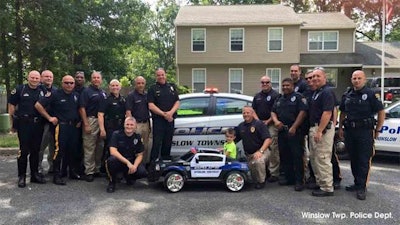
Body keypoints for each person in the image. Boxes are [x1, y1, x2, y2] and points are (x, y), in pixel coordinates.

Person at [338, 70, 385, 200]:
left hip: (364, 132)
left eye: (359, 78)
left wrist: (378, 129)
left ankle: (362, 187)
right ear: (351, 80)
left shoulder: (370, 94)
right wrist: (341, 128)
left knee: (363, 159)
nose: (356, 80)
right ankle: (356, 182)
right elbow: (342, 112)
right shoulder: (347, 94)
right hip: (350, 131)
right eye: (354, 78)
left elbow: (381, 111)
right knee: (353, 158)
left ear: (364, 80)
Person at [35, 75, 81, 185]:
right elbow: (38, 105)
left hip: (73, 127)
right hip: (61, 126)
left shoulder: (76, 95)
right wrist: (49, 118)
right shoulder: (55, 94)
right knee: (59, 151)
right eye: (67, 83)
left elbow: (78, 109)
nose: (69, 85)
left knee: (72, 150)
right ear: (62, 83)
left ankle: (72, 172)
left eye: (71, 83)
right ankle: (57, 175)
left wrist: (79, 120)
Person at [8, 70, 46, 187]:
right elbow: (11, 106)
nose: (34, 80)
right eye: (32, 78)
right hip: (24, 124)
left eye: (36, 78)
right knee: (23, 151)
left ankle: (34, 175)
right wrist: (12, 123)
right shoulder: (20, 89)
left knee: (36, 151)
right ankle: (22, 176)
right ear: (28, 78)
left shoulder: (43, 91)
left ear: (40, 79)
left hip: (38, 124)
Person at [271, 78, 308, 191]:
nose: (285, 87)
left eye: (287, 85)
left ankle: (299, 181)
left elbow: (303, 112)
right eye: (283, 85)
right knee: (284, 155)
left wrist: (294, 127)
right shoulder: (279, 98)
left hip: (295, 131)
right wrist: (276, 121)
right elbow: (273, 111)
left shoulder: (298, 97)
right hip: (282, 131)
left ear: (292, 86)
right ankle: (288, 178)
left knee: (297, 156)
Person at [308, 68, 336, 197]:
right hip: (314, 128)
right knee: (314, 157)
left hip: (322, 129)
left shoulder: (327, 92)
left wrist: (320, 130)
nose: (315, 79)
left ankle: (326, 187)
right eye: (313, 76)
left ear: (324, 77)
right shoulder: (316, 92)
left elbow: (328, 112)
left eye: (318, 76)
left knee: (322, 157)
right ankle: (320, 182)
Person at [105, 117, 148, 193]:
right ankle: (112, 182)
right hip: (119, 161)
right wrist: (127, 163)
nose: (129, 127)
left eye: (131, 125)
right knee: (111, 160)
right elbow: (113, 151)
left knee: (142, 172)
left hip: (131, 161)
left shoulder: (137, 137)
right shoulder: (116, 134)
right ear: (124, 125)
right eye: (127, 124)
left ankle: (129, 176)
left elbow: (140, 155)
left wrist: (134, 166)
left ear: (135, 127)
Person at [235, 106, 272, 189]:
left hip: (262, 151)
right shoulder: (241, 126)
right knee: (251, 178)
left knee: (259, 161)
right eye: (244, 113)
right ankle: (264, 172)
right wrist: (224, 147)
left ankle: (261, 181)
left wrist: (261, 151)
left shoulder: (259, 124)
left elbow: (268, 139)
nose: (245, 114)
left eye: (248, 112)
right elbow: (234, 140)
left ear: (252, 113)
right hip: (249, 155)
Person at [79, 71, 106, 182]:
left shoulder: (102, 92)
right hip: (91, 120)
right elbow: (81, 108)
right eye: (94, 77)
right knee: (89, 147)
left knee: (99, 146)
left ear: (101, 79)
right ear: (91, 79)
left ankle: (97, 169)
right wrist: (86, 123)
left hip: (101, 121)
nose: (96, 79)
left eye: (98, 77)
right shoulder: (86, 91)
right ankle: (89, 171)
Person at [252, 75, 280, 182]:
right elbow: (253, 110)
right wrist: (259, 122)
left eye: (267, 82)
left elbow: (276, 111)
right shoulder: (257, 96)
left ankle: (274, 173)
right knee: (261, 147)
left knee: (273, 148)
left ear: (270, 83)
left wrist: (268, 121)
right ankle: (263, 171)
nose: (265, 84)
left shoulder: (275, 95)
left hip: (271, 124)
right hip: (259, 124)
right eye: (263, 82)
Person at [148, 68, 180, 162]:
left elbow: (177, 102)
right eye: (158, 75)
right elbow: (151, 105)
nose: (161, 77)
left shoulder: (172, 87)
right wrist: (163, 114)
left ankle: (165, 163)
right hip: (158, 121)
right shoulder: (152, 88)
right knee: (157, 143)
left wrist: (170, 113)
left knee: (168, 142)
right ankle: (153, 165)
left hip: (170, 120)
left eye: (162, 74)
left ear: (165, 75)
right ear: (156, 76)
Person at [98, 79, 126, 172]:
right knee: (110, 149)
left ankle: (119, 170)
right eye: (112, 86)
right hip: (110, 128)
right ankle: (108, 171)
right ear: (109, 87)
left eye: (116, 85)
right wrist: (102, 129)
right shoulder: (106, 100)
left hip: (121, 127)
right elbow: (100, 114)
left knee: (120, 148)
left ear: (120, 87)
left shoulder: (123, 99)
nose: (115, 87)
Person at [125, 76, 151, 164]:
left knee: (145, 146)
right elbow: (128, 111)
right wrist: (131, 126)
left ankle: (143, 165)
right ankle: (134, 165)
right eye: (138, 83)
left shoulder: (147, 95)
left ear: (145, 84)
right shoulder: (131, 96)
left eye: (142, 83)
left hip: (146, 124)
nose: (140, 85)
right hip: (136, 125)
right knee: (135, 145)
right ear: (135, 84)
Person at [38, 70, 57, 175]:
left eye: (50, 76)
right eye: (46, 76)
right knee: (40, 147)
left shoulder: (56, 90)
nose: (49, 78)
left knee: (53, 147)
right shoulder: (37, 89)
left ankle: (52, 167)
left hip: (53, 124)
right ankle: (38, 167)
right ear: (41, 78)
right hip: (41, 123)